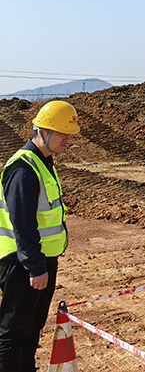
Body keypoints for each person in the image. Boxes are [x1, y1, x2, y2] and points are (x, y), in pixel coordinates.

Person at [0, 100, 77, 371]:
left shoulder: (44, 163)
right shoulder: (24, 169)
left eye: (70, 134)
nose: (68, 139)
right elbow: (22, 224)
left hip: (41, 261)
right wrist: (34, 266)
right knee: (14, 333)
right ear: (43, 132)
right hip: (22, 263)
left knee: (32, 329)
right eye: (63, 133)